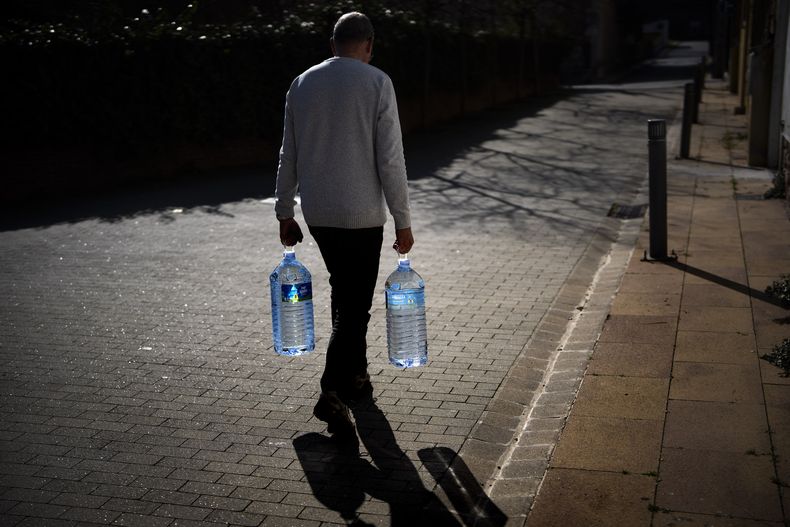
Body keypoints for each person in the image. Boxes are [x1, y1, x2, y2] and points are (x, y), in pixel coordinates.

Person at [274, 12, 414, 437]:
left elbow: (288, 152)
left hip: (318, 214)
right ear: (369, 45)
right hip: (362, 216)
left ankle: (356, 377)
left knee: (345, 293)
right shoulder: (377, 82)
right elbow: (391, 158)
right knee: (355, 308)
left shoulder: (302, 83)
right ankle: (331, 391)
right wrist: (403, 220)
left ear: (332, 43)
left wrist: (285, 211)